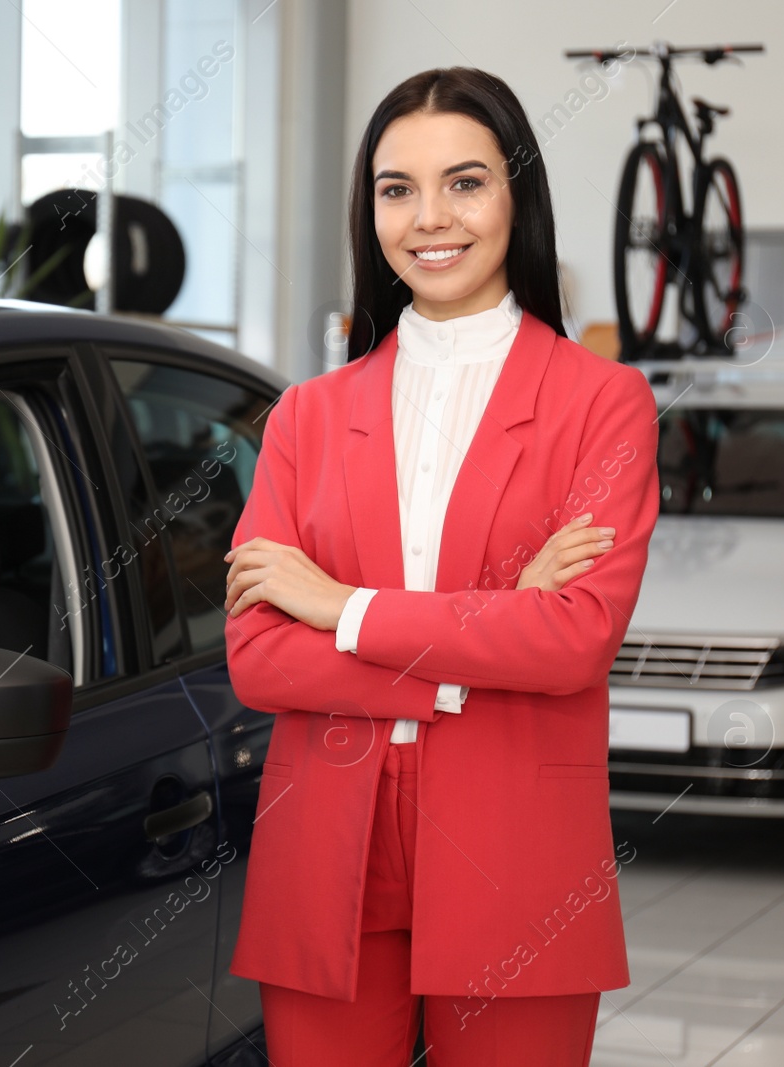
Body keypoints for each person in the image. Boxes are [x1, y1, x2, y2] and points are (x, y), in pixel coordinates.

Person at [220, 66, 660, 1065]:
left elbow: (572, 639)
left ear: (516, 197)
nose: (428, 218)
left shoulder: (603, 403)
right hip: (329, 844)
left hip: (516, 847)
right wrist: (487, 630)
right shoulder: (308, 415)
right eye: (395, 188)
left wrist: (338, 605)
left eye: (464, 182)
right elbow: (258, 657)